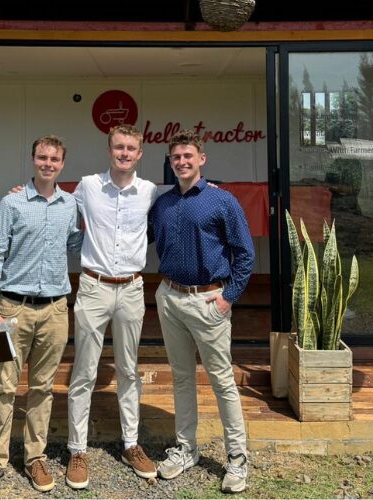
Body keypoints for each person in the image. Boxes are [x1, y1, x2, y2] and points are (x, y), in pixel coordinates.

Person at [0, 135, 82, 497]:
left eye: (55, 159)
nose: (48, 163)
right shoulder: (11, 202)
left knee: (43, 387)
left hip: (54, 310)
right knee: (3, 386)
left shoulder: (70, 205)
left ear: (63, 164)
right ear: (33, 159)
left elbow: (76, 245)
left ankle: (35, 456)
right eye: (42, 157)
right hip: (10, 309)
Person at [148, 130, 255, 494]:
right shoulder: (162, 204)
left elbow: (245, 254)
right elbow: (129, 233)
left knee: (222, 381)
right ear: (171, 161)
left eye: (188, 156)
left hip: (209, 301)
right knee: (181, 378)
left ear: (201, 159)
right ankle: (186, 448)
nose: (182, 162)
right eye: (176, 157)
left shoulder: (222, 202)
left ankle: (237, 458)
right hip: (170, 297)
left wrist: (229, 297)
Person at [65, 124, 158, 488]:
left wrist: (208, 186)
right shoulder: (88, 186)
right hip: (93, 287)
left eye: (130, 148)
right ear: (109, 151)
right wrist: (23, 192)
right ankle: (77, 449)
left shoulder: (149, 191)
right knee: (84, 371)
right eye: (118, 147)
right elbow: (56, 205)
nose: (124, 153)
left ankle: (131, 444)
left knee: (129, 370)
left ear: (139, 154)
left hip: (132, 288)